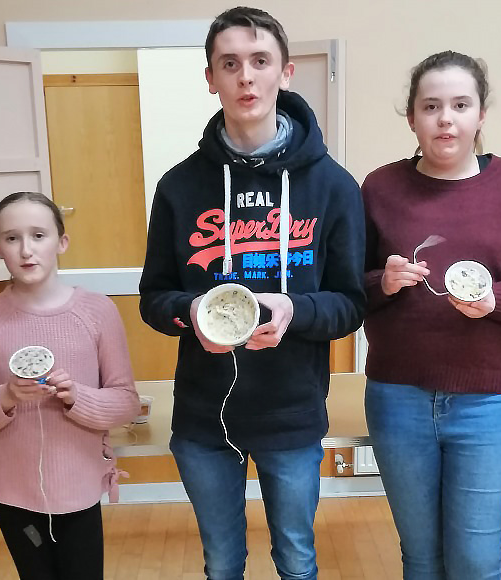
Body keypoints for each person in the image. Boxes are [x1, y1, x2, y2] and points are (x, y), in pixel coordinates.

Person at [138, 7, 365, 579]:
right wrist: (189, 315)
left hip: (291, 412)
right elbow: (153, 298)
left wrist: (297, 310)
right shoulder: (179, 185)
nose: (246, 77)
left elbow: (351, 303)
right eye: (230, 64)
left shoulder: (332, 185)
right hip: (202, 415)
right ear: (210, 78)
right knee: (221, 564)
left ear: (285, 72)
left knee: (296, 558)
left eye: (260, 61)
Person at [360, 51, 501, 579]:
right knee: (421, 556)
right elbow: (345, 292)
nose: (445, 118)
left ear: (481, 115)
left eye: (460, 104)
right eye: (431, 106)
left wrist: (499, 300)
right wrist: (381, 283)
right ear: (411, 117)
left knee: (476, 561)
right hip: (397, 398)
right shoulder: (380, 187)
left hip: (486, 402)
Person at [0, 191, 139, 580]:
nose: (26, 250)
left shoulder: (98, 311)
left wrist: (77, 397)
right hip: (11, 487)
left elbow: (125, 402)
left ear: (62, 242)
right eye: (11, 238)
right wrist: (6, 396)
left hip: (81, 483)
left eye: (39, 235)